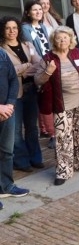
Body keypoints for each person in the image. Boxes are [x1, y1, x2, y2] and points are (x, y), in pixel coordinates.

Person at [35, 26, 79, 185]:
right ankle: (64, 171)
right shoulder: (48, 58)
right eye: (59, 38)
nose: (62, 40)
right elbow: (38, 80)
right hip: (61, 104)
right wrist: (48, 71)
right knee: (63, 138)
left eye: (65, 37)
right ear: (54, 41)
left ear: (70, 39)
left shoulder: (78, 53)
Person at [0, 17, 42, 172]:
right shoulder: (1, 50)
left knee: (32, 127)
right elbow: (7, 72)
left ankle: (35, 158)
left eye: (14, 27)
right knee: (16, 131)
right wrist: (26, 66)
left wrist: (21, 70)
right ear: (2, 30)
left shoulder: (27, 45)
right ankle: (22, 161)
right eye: (7, 28)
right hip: (13, 94)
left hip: (31, 90)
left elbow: (39, 63)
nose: (12, 31)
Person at [0, 46, 28, 202]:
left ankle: (6, 187)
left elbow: (13, 80)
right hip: (2, 110)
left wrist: (10, 104)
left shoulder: (2, 54)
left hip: (7, 112)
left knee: (7, 151)